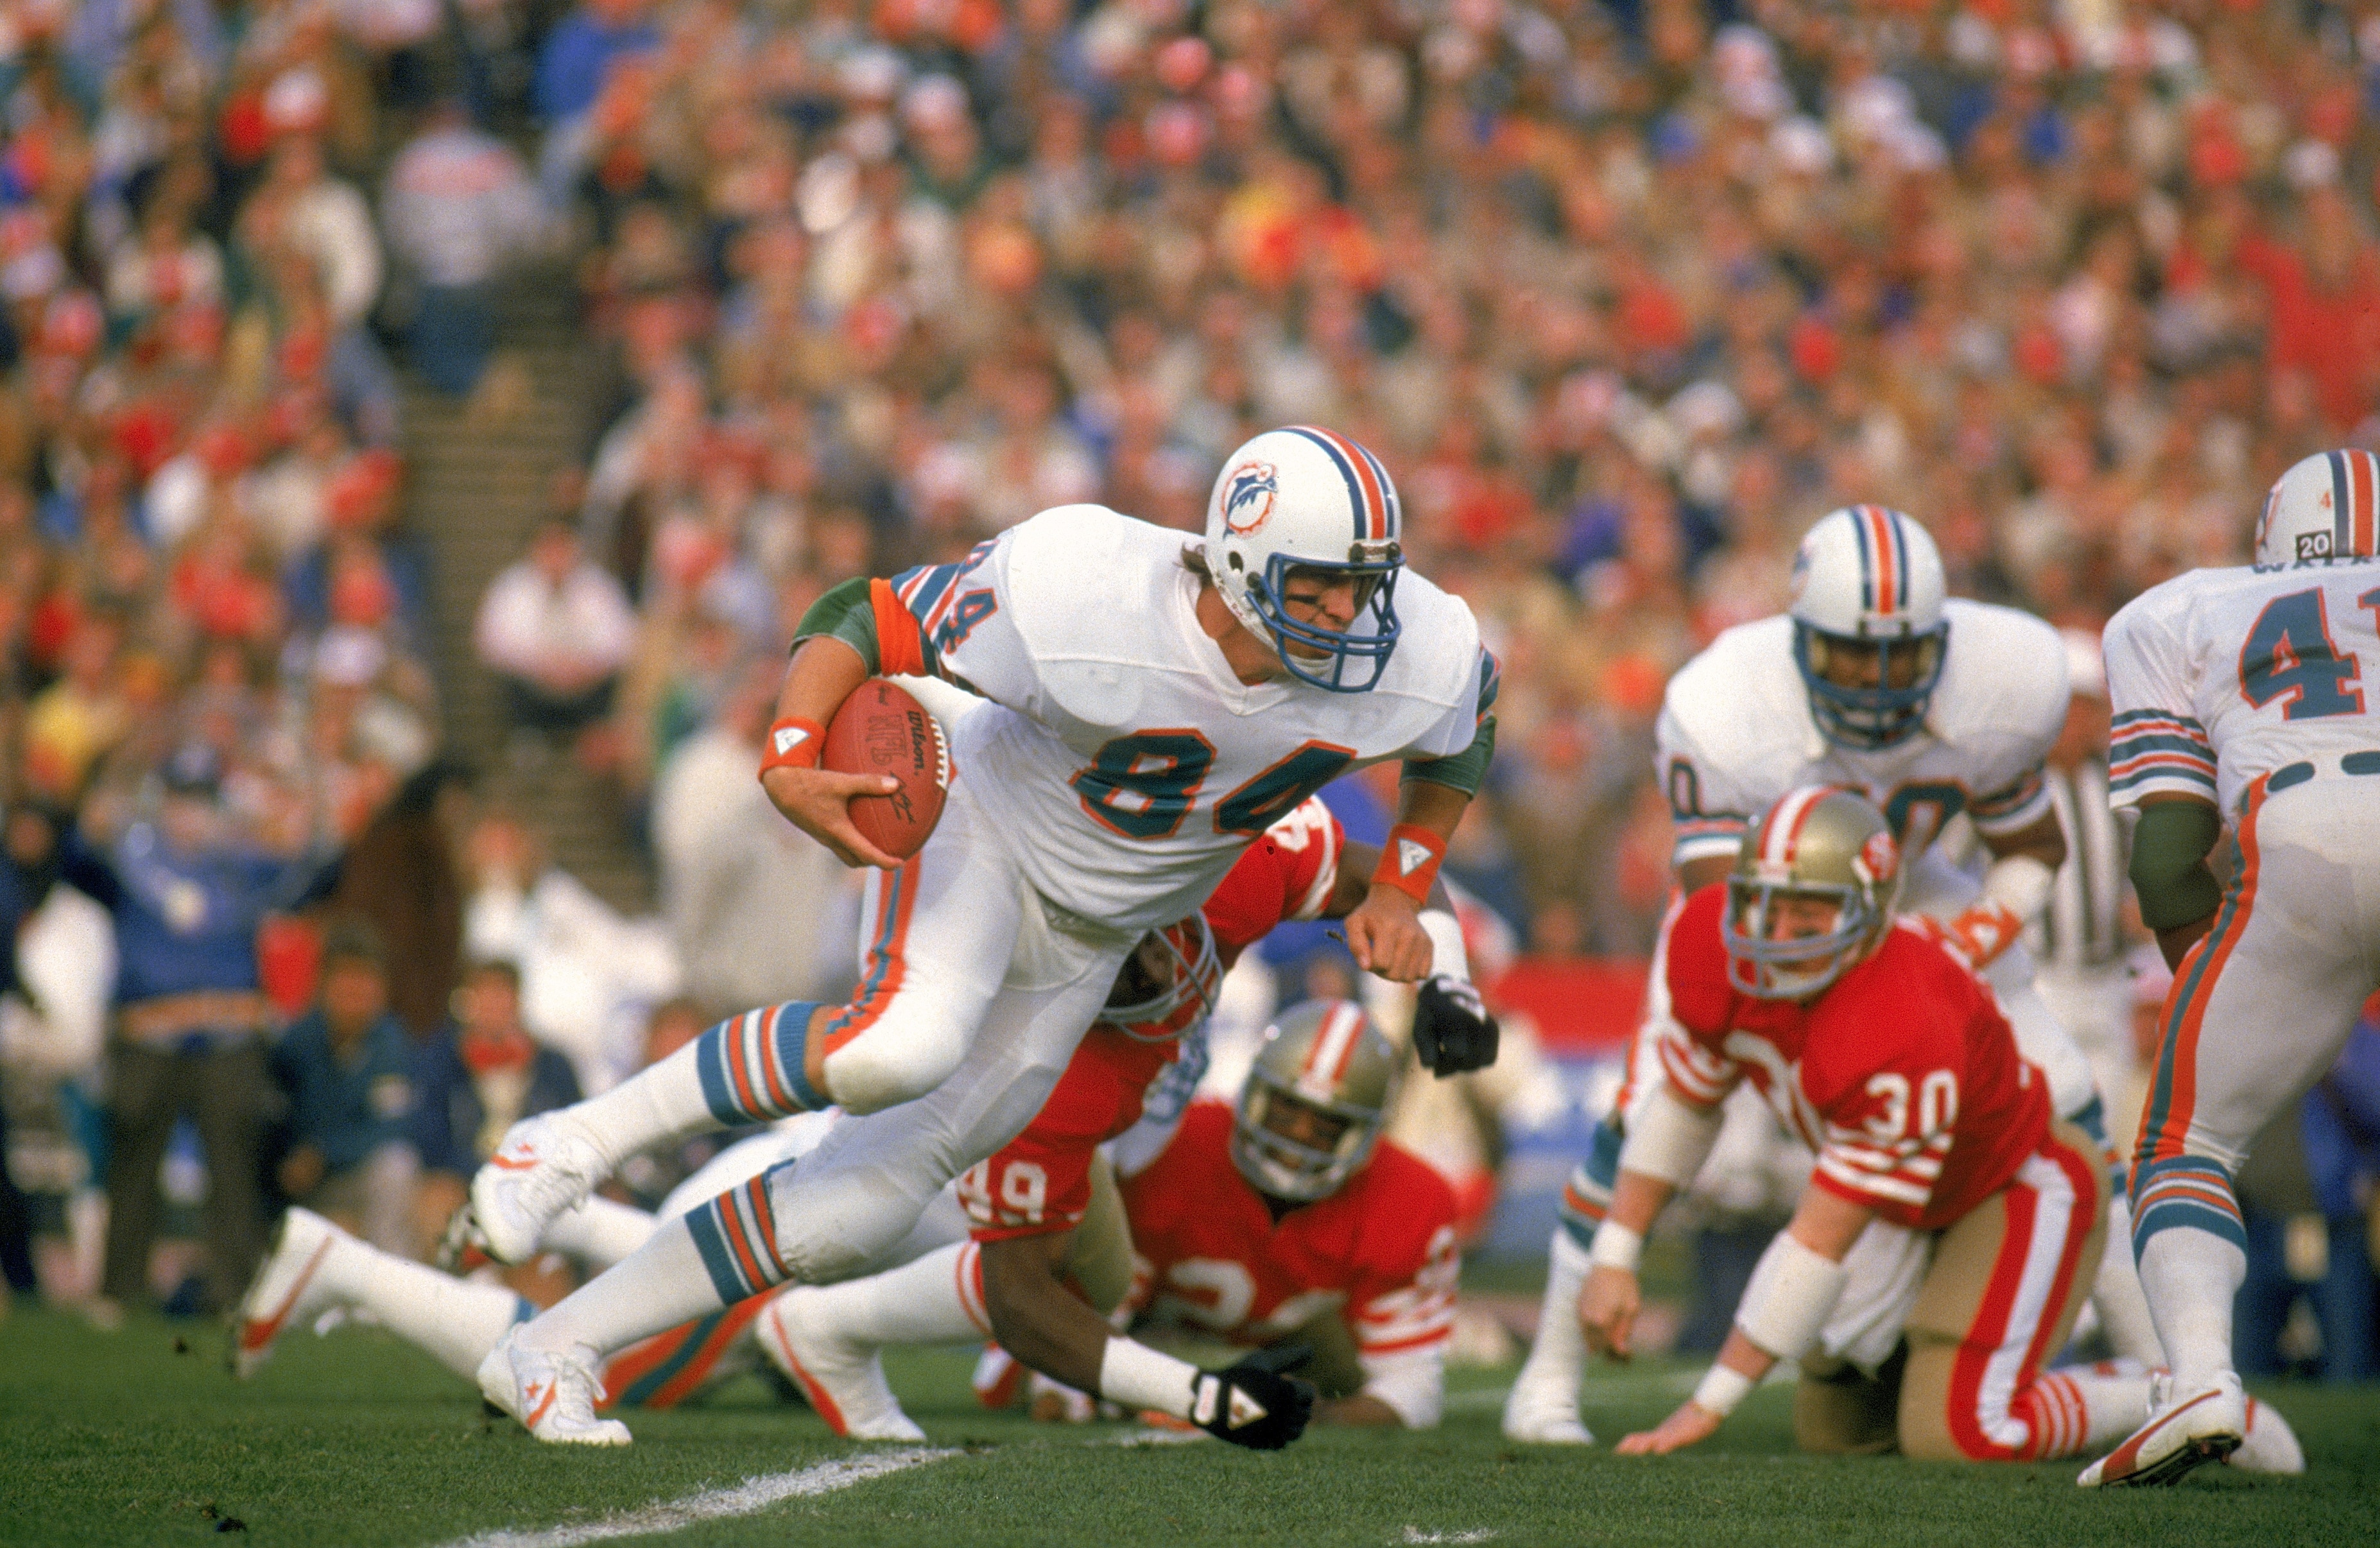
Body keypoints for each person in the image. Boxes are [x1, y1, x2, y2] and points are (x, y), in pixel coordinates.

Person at [464, 427, 1499, 1445]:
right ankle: (564, 1144)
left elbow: (1465, 724)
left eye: (1365, 582)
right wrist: (789, 751)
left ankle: (552, 1347)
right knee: (898, 1046)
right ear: (1239, 560)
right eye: (1319, 582)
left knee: (850, 1216)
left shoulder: (1403, 647)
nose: (1350, 612)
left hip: (1092, 936)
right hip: (985, 820)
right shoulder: (1093, 595)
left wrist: (1406, 885)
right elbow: (865, 613)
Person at [1506, 504, 2153, 1445]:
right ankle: (1550, 1381)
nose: (1879, 681)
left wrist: (1971, 938)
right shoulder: (1727, 702)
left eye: (1901, 654)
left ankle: (2162, 1374)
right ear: (1803, 639)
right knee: (1646, 1109)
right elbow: (1727, 921)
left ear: (1940, 639)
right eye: (1852, 655)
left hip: (1918, 893)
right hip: (1766, 907)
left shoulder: (2002, 678)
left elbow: (2031, 847)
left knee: (2072, 1094)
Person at [1574, 787, 2300, 1475]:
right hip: (1898, 1197)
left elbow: (1818, 1240)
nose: (1777, 935)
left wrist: (1706, 1407)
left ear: (1868, 912)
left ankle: (2167, 1395)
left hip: (2011, 1181)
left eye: (1809, 912)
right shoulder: (1707, 944)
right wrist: (1615, 1252)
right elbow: (1688, 1103)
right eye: (1762, 905)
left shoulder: (1900, 1014)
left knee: (1964, 1433)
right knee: (1839, 1432)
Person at [761, 802, 1488, 1440]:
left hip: (1060, 1157)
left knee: (1078, 1268)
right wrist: (1123, 1384)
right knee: (722, 1301)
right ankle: (820, 1325)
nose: (1296, 1139)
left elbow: (1387, 874)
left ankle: (819, 1327)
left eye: (1322, 1126)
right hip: (937, 1140)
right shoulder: (1070, 925)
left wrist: (1446, 974)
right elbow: (1026, 1299)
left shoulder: (1250, 866)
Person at [2082, 449, 2380, 1484]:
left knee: (2184, 1140)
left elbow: (2165, 863)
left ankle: (2205, 1376)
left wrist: (2220, 977)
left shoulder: (2180, 612)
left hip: (2294, 832)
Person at [67, 744, 342, 1323]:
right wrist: (96, 805)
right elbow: (77, 858)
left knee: (235, 1166)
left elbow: (315, 872)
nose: (189, 815)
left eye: (200, 802)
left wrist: (314, 806)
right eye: (180, 801)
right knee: (134, 1162)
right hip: (149, 1033)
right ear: (163, 803)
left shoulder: (241, 865)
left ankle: (237, 1293)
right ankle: (120, 1289)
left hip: (229, 1036)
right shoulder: (132, 860)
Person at [268, 922, 420, 1255]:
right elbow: (275, 1115)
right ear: (323, 984)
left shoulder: (391, 1043)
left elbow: (391, 1126)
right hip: (300, 1183)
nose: (353, 990)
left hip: (350, 1174)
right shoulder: (298, 1040)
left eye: (364, 978)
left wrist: (323, 1154)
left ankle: (389, 1290)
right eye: (344, 977)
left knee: (396, 1166)